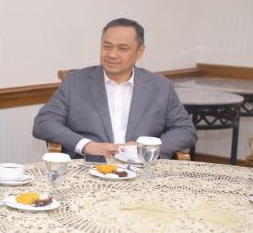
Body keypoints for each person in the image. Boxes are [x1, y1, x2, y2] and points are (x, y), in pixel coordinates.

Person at [32, 18, 197, 160]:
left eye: (122, 49)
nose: (112, 54)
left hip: (142, 173)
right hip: (90, 170)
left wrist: (147, 147)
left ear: (140, 52)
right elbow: (44, 123)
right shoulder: (75, 82)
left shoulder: (160, 86)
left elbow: (186, 130)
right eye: (107, 46)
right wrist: (88, 146)